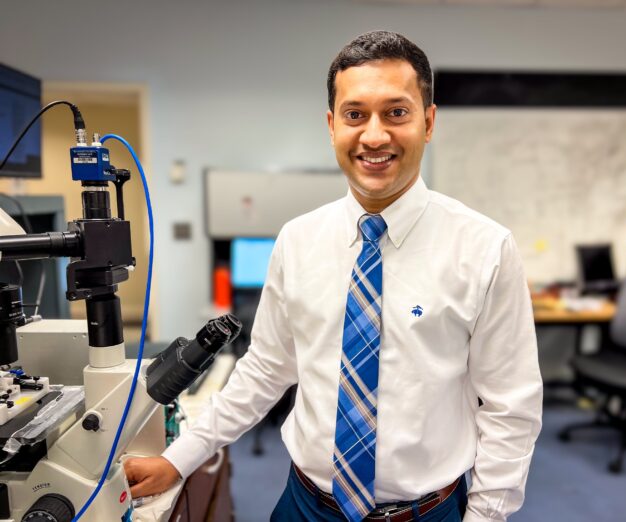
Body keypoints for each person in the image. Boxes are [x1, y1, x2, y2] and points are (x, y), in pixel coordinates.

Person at [125, 31, 543, 522]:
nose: (374, 135)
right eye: (355, 114)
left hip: (426, 511)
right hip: (305, 506)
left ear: (428, 122)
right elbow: (265, 370)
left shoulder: (485, 249)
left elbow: (510, 407)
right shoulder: (298, 241)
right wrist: (181, 457)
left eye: (396, 112)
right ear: (331, 126)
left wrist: (486, 517)